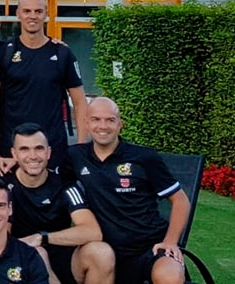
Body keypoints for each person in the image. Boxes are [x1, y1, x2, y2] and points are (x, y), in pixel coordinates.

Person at [68, 98, 188, 284]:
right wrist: (11, 160)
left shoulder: (144, 157)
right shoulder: (75, 156)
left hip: (150, 247)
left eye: (110, 120)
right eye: (96, 119)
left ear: (120, 125)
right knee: (94, 257)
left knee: (170, 275)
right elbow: (37, 164)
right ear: (86, 123)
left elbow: (180, 201)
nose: (103, 126)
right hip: (105, 251)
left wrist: (171, 242)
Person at [0, 0, 87, 172]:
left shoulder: (63, 53)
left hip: (53, 148)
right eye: (27, 11)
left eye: (38, 11)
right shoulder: (3, 53)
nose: (33, 16)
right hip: (10, 150)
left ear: (46, 14)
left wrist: (80, 147)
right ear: (18, 14)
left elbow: (80, 102)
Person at [8, 123, 114, 284]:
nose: (33, 156)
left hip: (63, 256)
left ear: (48, 152)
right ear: (14, 154)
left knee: (102, 253)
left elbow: (92, 231)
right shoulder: (4, 188)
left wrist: (42, 238)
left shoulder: (64, 186)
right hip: (21, 262)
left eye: (39, 148)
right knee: (38, 254)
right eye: (24, 149)